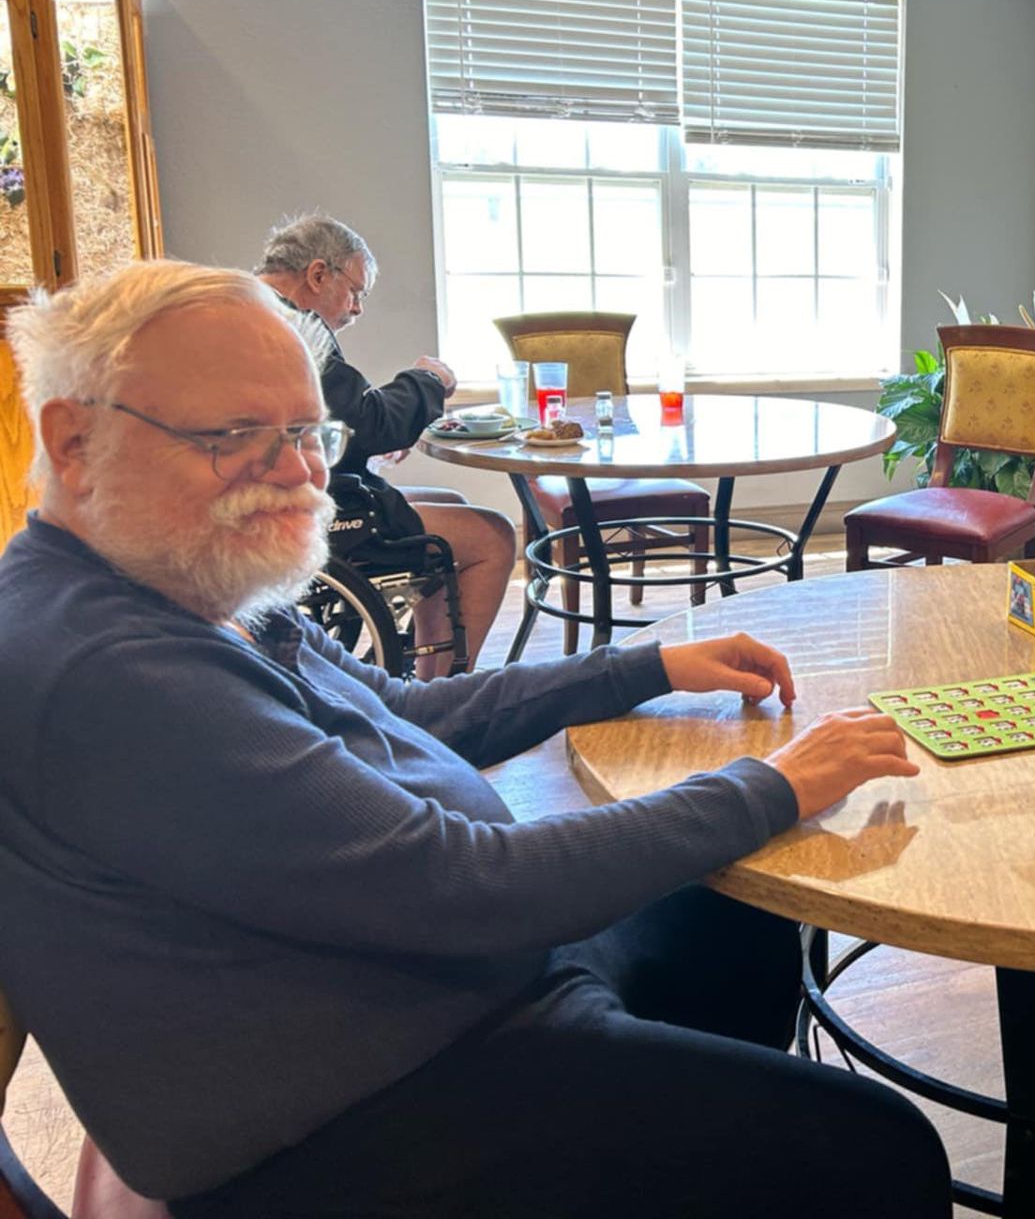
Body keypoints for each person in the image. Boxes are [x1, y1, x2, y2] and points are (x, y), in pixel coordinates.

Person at [0, 261, 951, 1218]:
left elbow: (403, 711)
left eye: (306, 433)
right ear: (75, 442)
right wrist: (772, 784)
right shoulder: (105, 670)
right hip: (360, 1107)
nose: (299, 473)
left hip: (439, 988)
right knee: (879, 1148)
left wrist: (646, 666)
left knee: (737, 905)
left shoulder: (178, 580)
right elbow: (470, 885)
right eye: (234, 436)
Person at [255, 214, 514, 674]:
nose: (357, 309)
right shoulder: (287, 328)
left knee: (452, 503)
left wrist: (367, 445)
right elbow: (368, 421)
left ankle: (428, 675)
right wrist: (427, 379)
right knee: (494, 536)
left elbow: (336, 418)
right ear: (318, 275)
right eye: (355, 291)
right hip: (312, 513)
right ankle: (445, 693)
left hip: (296, 491)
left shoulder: (252, 310)